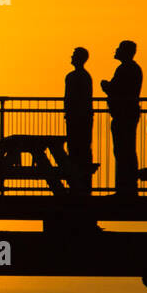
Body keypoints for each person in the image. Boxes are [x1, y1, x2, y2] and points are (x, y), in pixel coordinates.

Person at [101, 40, 143, 197]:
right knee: (126, 151)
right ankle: (128, 188)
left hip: (124, 115)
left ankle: (126, 189)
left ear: (125, 51)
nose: (116, 50)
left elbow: (116, 88)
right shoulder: (132, 68)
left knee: (123, 151)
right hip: (127, 114)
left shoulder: (126, 68)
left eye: (119, 48)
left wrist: (105, 85)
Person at [64, 47, 93, 194]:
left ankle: (79, 186)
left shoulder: (76, 76)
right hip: (80, 117)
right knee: (80, 150)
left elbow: (73, 99)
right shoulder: (83, 76)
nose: (71, 56)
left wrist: (71, 113)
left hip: (77, 118)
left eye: (74, 55)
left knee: (77, 150)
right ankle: (81, 186)